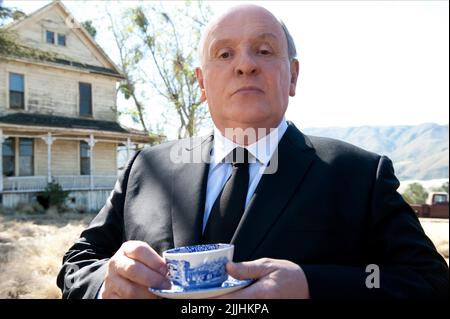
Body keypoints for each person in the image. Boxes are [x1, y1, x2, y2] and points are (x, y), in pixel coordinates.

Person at [57, 5, 449, 299]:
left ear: (292, 75)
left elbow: (427, 280)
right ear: (202, 83)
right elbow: (77, 265)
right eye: (224, 54)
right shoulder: (147, 168)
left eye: (263, 50)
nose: (245, 65)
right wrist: (106, 282)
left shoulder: (359, 174)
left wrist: (313, 284)